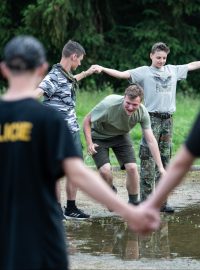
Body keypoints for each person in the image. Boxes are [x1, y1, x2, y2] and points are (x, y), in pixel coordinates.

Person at [0, 35, 160, 270]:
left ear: (4, 69)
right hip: (43, 231)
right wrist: (129, 212)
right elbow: (78, 174)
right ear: (42, 68)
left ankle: (70, 207)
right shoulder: (50, 120)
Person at [92, 42, 200, 212]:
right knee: (148, 159)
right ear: (151, 55)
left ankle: (162, 202)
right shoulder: (143, 72)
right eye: (158, 57)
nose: (161, 61)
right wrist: (102, 68)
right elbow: (121, 74)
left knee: (165, 160)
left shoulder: (173, 70)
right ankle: (146, 202)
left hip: (168, 120)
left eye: (164, 58)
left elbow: (193, 65)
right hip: (151, 118)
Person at [35, 40, 96, 219]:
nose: (80, 64)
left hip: (72, 129)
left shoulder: (65, 75)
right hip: (56, 133)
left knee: (75, 169)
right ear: (73, 56)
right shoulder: (53, 76)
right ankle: (56, 210)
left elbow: (69, 82)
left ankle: (71, 208)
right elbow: (37, 93)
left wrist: (87, 72)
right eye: (80, 61)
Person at [83, 84, 165, 206]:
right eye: (128, 103)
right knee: (105, 171)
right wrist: (89, 143)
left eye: (135, 105)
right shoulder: (109, 104)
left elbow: (151, 140)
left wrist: (161, 167)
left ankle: (133, 203)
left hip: (121, 136)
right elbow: (86, 120)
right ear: (124, 97)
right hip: (99, 137)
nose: (130, 107)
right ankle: (110, 193)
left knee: (132, 168)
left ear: (140, 102)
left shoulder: (142, 112)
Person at [137, 111, 200, 234]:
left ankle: (154, 205)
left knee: (166, 157)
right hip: (153, 115)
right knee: (149, 158)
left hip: (168, 116)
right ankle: (146, 202)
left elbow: (181, 164)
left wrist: (152, 206)